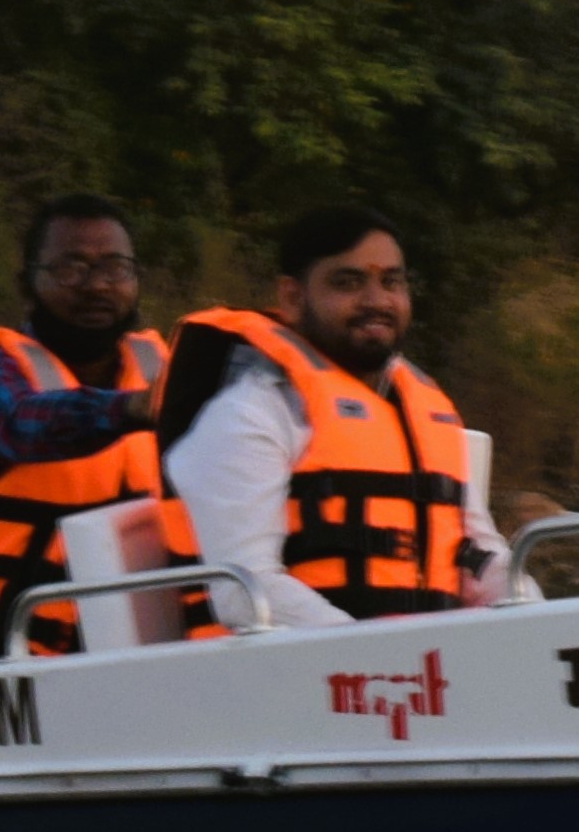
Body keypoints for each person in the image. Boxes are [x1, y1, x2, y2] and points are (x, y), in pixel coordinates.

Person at [167, 202, 508, 627]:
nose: (376, 300)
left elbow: (481, 554)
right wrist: (368, 654)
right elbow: (244, 592)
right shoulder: (248, 412)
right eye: (348, 282)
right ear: (292, 297)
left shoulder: (426, 408)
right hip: (281, 678)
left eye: (391, 282)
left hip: (418, 669)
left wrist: (534, 616)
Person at [0, 195, 173, 668]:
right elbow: (15, 425)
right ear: (27, 285)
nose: (96, 286)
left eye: (115, 268)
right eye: (72, 267)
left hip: (137, 653)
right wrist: (131, 408)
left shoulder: (160, 367)